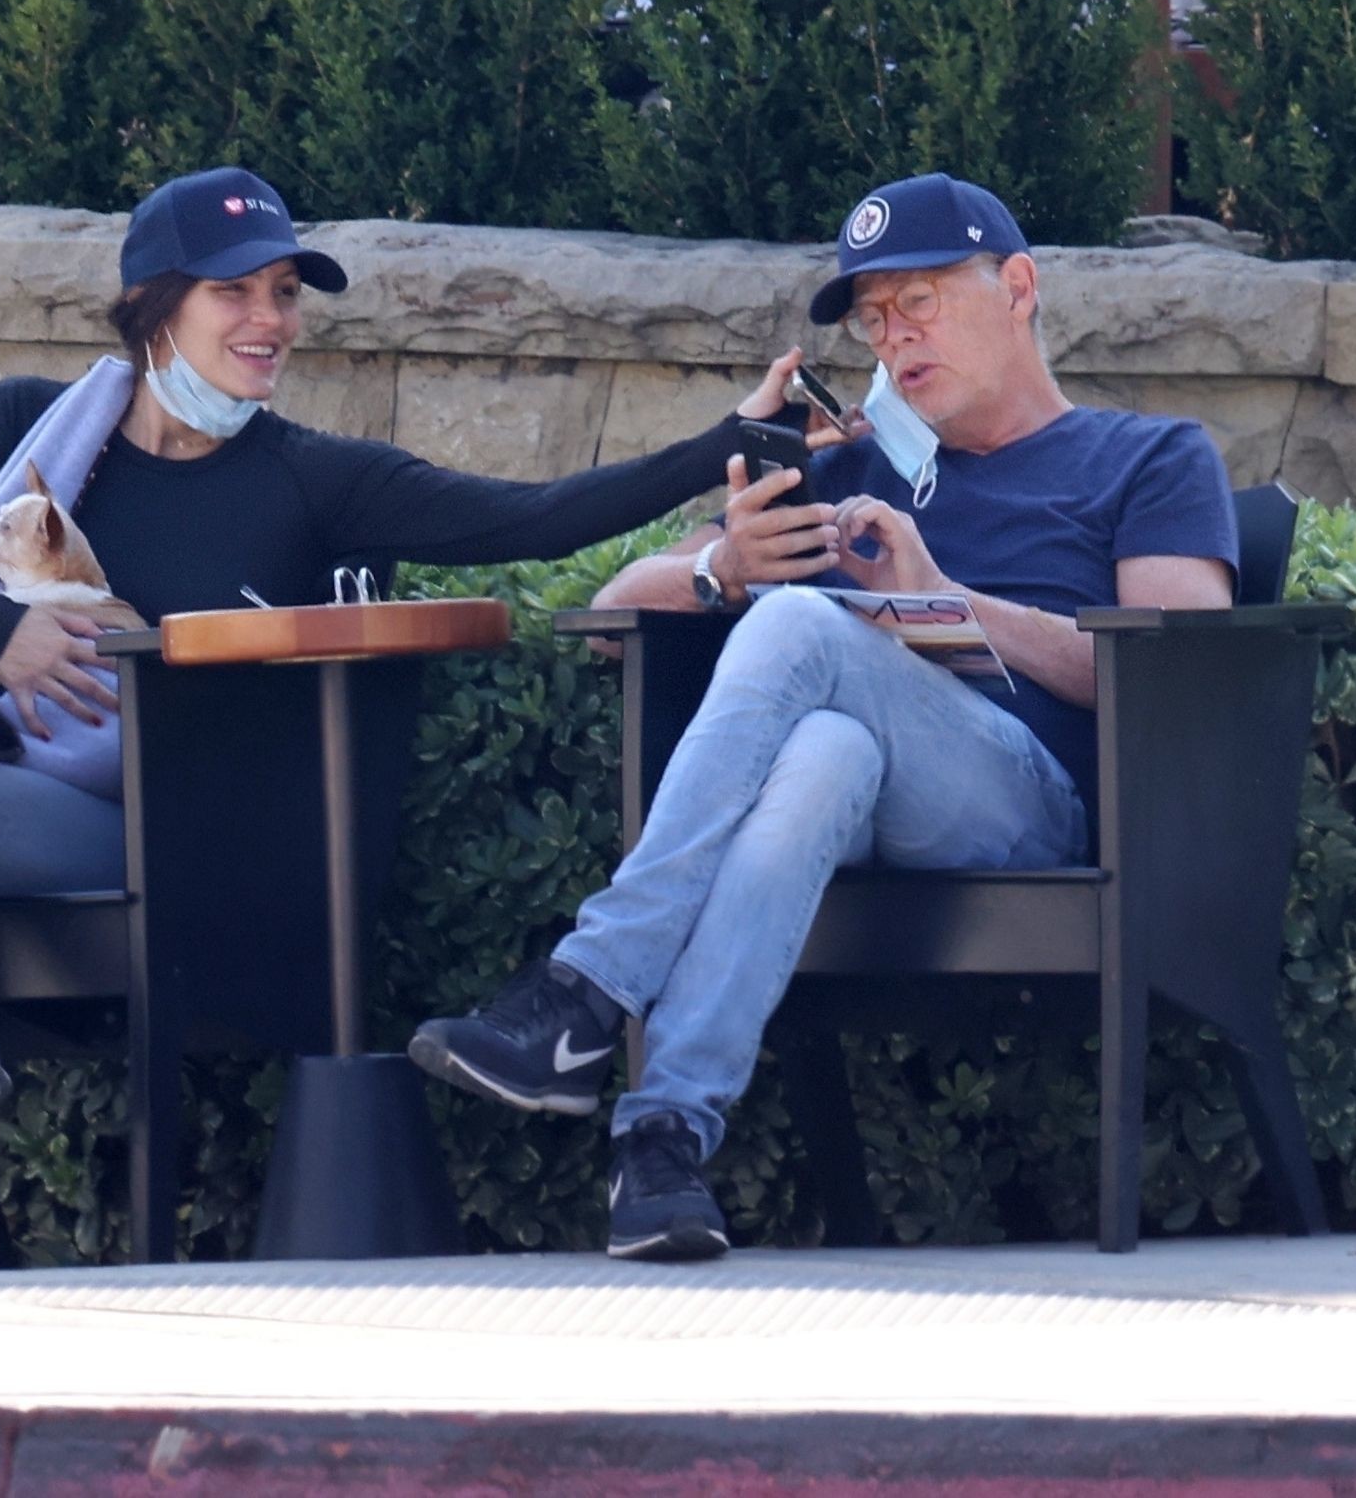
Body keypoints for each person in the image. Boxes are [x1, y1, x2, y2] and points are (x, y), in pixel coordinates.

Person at [0, 165, 810, 1278]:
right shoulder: (24, 430)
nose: (271, 319)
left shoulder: (309, 479)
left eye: (284, 292)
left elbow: (533, 517)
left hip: (151, 828)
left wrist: (726, 439)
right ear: (153, 305)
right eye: (235, 291)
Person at [410, 171, 1238, 1261]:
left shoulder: (1152, 455)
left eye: (920, 301)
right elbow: (613, 612)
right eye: (876, 320)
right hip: (871, 797)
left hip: (1042, 805)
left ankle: (586, 988)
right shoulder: (851, 463)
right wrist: (722, 565)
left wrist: (943, 600)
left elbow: (1181, 664)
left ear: (1018, 287)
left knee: (804, 624)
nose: (896, 339)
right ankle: (664, 1139)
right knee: (823, 753)